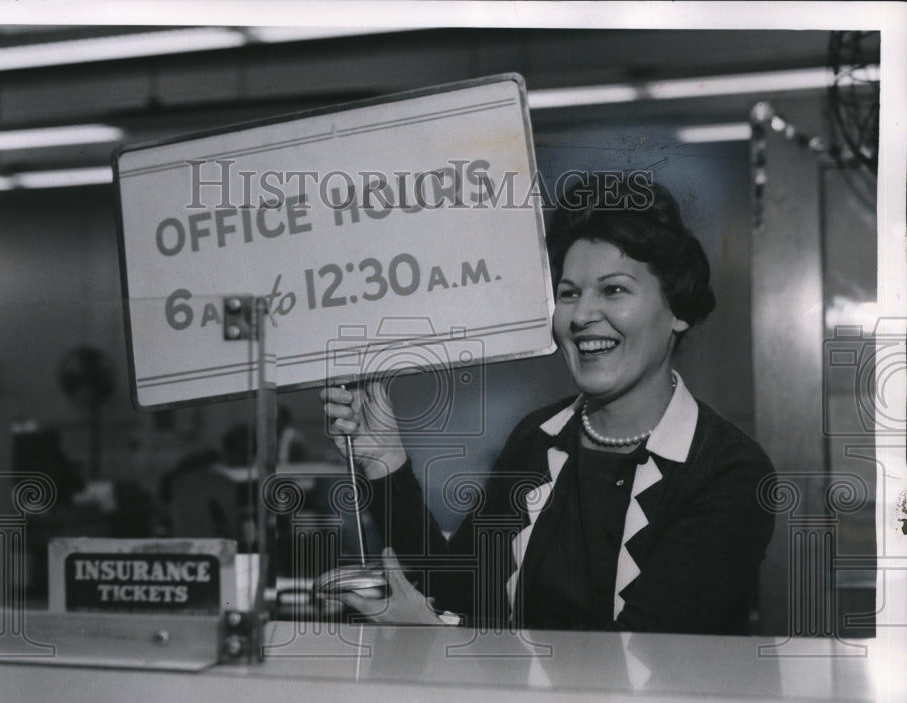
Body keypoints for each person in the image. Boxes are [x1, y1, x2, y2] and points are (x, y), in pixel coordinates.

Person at [320, 175, 776, 635]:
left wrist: (443, 635)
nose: (580, 316)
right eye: (569, 293)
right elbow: (458, 591)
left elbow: (641, 661)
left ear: (678, 308)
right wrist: (385, 459)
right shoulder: (538, 438)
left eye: (613, 290)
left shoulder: (729, 472)